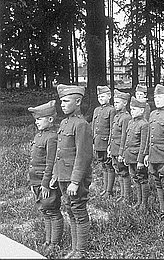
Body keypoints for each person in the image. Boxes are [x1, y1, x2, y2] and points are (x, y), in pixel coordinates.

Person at [51, 84, 93, 258]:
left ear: (78, 101)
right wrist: (55, 174)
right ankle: (75, 249)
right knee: (69, 209)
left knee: (78, 210)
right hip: (63, 176)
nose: (62, 104)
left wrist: (75, 181)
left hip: (74, 179)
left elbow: (83, 156)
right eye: (61, 101)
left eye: (66, 101)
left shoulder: (81, 124)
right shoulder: (65, 122)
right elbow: (60, 152)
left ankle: (81, 251)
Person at [28, 100, 63, 256]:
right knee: (44, 211)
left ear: (50, 119)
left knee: (53, 211)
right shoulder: (39, 135)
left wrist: (46, 184)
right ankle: (48, 241)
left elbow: (50, 163)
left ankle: (55, 243)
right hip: (36, 180)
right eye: (35, 119)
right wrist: (33, 182)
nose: (36, 122)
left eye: (39, 119)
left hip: (46, 182)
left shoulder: (52, 138)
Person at [139, 84, 164, 221]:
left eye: (160, 97)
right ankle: (162, 210)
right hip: (153, 156)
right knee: (157, 182)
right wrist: (146, 154)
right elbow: (149, 136)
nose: (156, 100)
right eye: (155, 97)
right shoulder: (152, 114)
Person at [122, 96, 149, 210]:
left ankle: (144, 204)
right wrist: (124, 155)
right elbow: (127, 141)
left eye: (134, 109)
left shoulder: (144, 124)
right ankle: (138, 201)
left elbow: (144, 144)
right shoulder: (130, 122)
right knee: (135, 179)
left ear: (141, 110)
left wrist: (140, 160)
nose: (132, 111)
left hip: (138, 158)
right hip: (130, 156)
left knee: (142, 179)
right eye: (131, 109)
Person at [92, 85, 116, 197]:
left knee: (109, 166)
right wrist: (93, 142)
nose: (100, 98)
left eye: (103, 96)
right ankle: (105, 189)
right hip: (98, 143)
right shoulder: (96, 110)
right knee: (103, 166)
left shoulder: (112, 110)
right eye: (99, 96)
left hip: (106, 143)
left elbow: (112, 129)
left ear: (109, 96)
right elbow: (93, 127)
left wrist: (110, 145)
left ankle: (109, 191)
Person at [108, 89, 132, 203]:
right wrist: (109, 146)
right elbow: (112, 133)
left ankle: (126, 196)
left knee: (123, 172)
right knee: (118, 171)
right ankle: (122, 195)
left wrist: (122, 152)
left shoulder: (126, 117)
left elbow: (124, 137)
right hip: (114, 148)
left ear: (125, 103)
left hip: (120, 150)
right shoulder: (117, 116)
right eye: (114, 102)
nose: (115, 104)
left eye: (117, 102)